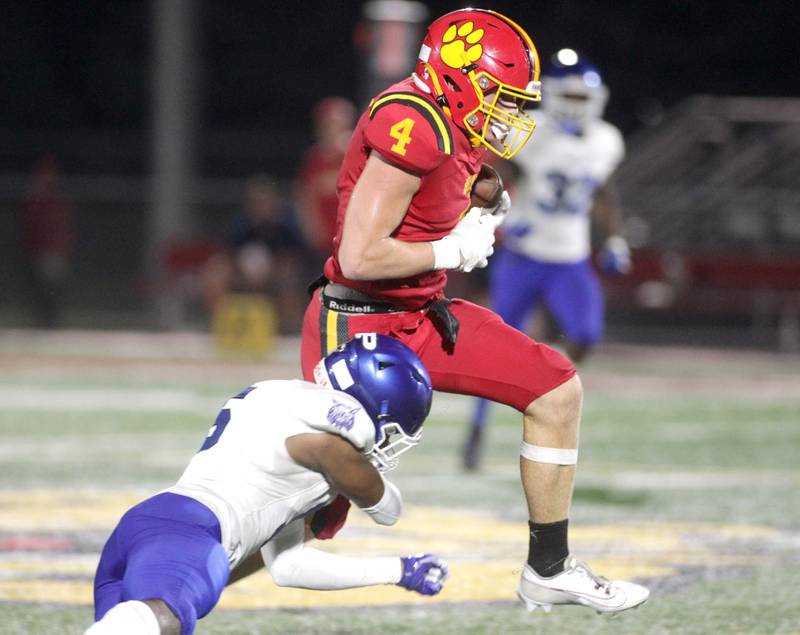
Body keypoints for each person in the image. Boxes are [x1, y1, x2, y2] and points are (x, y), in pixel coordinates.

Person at [299, 8, 648, 615]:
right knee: (311, 512)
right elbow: (359, 256)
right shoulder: (412, 123)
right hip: (360, 324)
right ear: (466, 81)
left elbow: (451, 185)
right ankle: (178, 580)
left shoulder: (454, 125)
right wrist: (450, 247)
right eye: (503, 99)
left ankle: (549, 567)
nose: (511, 116)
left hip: (423, 314)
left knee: (555, 390)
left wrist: (483, 197)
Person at [85, 334, 447, 634]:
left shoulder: (281, 406)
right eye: (391, 431)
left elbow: (288, 566)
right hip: (197, 533)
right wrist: (374, 478)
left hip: (151, 526)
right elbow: (385, 508)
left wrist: (398, 571)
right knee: (165, 619)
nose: (385, 444)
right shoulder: (329, 439)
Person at [465, 48, 631, 471]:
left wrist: (613, 239)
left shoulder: (606, 140)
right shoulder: (531, 128)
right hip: (523, 254)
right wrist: (500, 218)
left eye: (582, 99)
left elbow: (603, 192)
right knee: (494, 345)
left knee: (587, 334)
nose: (575, 107)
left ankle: (541, 378)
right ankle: (477, 428)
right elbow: (493, 176)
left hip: (570, 255)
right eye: (569, 98)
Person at [201, 174, 306, 333]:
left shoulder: (287, 225)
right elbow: (228, 255)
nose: (262, 207)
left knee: (288, 279)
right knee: (215, 274)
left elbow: (296, 257)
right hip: (243, 272)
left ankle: (289, 330)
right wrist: (242, 273)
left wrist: (269, 272)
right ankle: (222, 324)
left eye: (266, 201)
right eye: (257, 202)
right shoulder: (241, 225)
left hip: (276, 273)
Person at [294, 96, 357, 270]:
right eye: (327, 125)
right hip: (324, 240)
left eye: (336, 124)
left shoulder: (356, 152)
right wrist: (311, 230)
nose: (332, 130)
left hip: (353, 238)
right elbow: (304, 196)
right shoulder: (314, 158)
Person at [20, 154, 74, 328]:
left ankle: (52, 320)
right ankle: (45, 320)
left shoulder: (56, 198)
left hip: (53, 250)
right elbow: (30, 224)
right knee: (41, 287)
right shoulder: (36, 199)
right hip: (39, 249)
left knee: (52, 286)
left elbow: (62, 225)